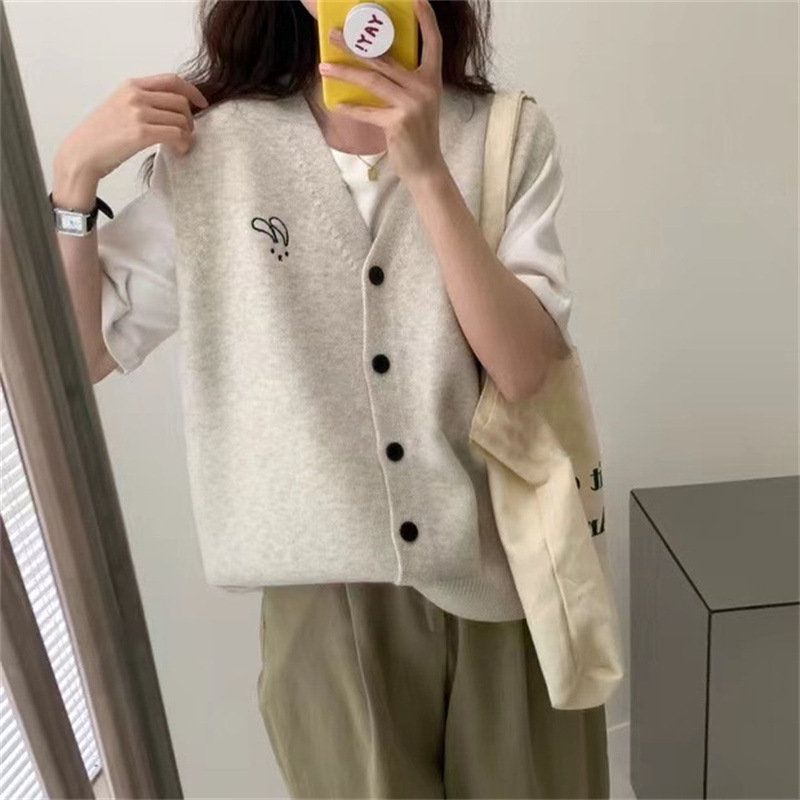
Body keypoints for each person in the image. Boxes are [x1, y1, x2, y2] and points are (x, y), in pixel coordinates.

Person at [51, 0, 609, 796]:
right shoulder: (219, 152)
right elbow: (82, 356)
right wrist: (73, 180)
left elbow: (524, 372)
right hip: (322, 612)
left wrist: (427, 171)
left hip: (505, 579)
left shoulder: (507, 134)